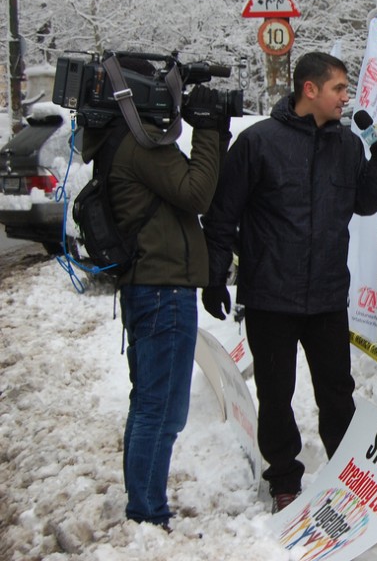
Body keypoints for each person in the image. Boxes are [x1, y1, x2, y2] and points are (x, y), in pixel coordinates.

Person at [201, 52, 377, 512]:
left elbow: (365, 205)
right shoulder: (258, 143)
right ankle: (285, 480)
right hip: (271, 296)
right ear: (310, 89)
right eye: (339, 89)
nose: (346, 98)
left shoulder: (348, 145)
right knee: (276, 394)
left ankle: (348, 471)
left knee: (337, 392)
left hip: (327, 295)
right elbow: (222, 213)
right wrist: (214, 276)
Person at [81, 59, 227, 528]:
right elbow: (197, 193)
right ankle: (147, 512)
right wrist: (206, 129)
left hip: (151, 286)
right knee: (160, 409)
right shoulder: (140, 145)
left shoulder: (119, 141)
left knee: (149, 402)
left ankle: (145, 505)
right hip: (162, 289)